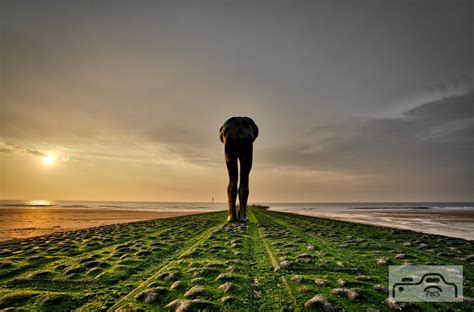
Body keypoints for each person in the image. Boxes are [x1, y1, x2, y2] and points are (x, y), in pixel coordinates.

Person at [219, 117, 259, 222]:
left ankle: (231, 215)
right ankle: (242, 215)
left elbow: (220, 135)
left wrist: (226, 140)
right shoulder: (251, 125)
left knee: (232, 179)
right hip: (247, 135)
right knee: (244, 178)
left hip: (229, 134)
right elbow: (255, 133)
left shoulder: (227, 124)